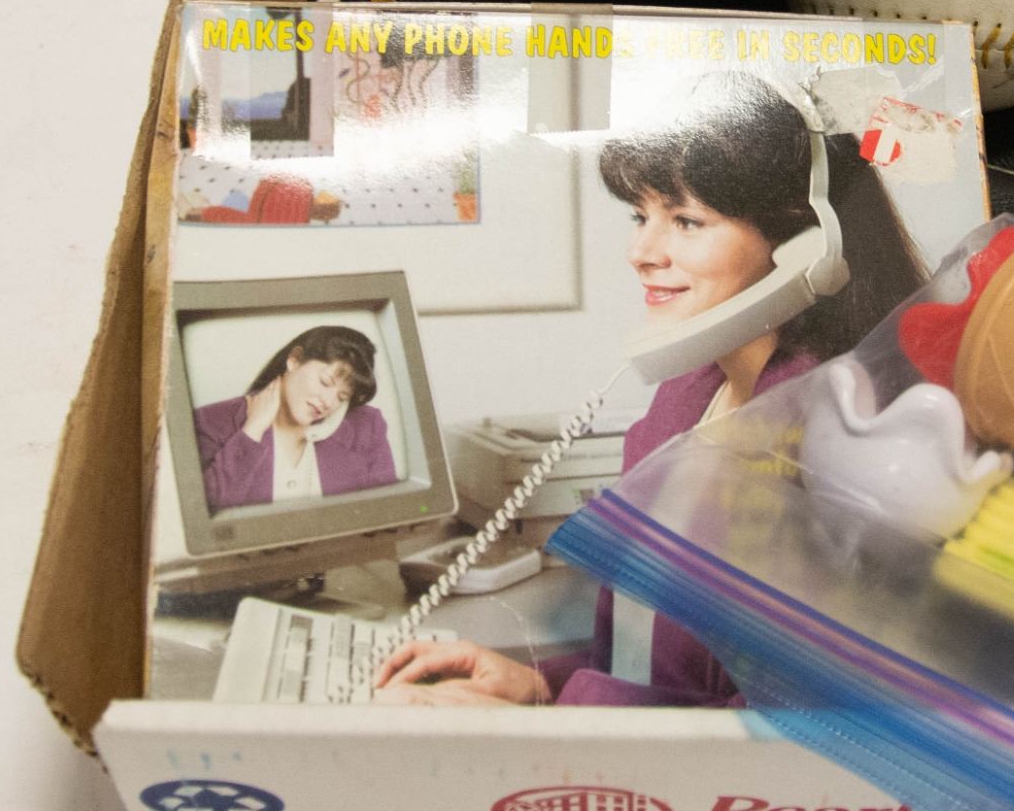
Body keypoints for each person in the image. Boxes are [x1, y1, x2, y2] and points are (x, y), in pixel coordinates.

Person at [376, 73, 928, 708]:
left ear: (806, 246)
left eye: (687, 221)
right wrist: (541, 685)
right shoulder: (689, 392)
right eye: (641, 216)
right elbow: (654, 653)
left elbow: (799, 721)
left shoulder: (838, 435)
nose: (640, 251)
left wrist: (560, 725)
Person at [193, 324, 396, 510]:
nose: (328, 401)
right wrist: (251, 432)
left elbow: (387, 513)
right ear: (295, 360)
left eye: (342, 396)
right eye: (325, 382)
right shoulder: (209, 422)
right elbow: (205, 511)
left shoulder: (367, 428)